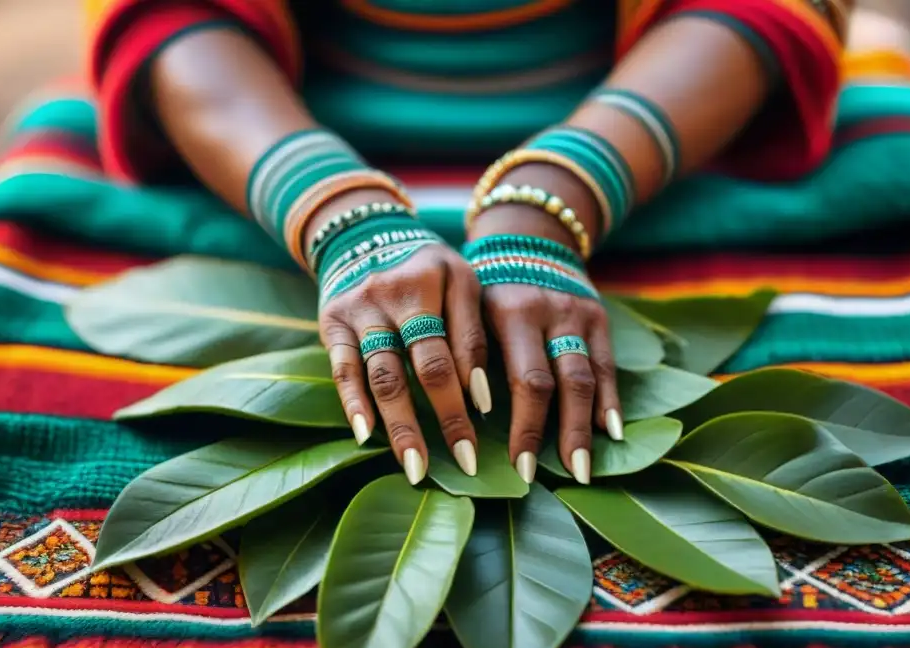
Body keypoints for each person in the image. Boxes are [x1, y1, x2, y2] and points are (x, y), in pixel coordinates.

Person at [88, 0, 860, 487]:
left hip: (669, 118)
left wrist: (559, 198)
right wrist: (338, 211)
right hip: (258, 120)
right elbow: (164, 15)